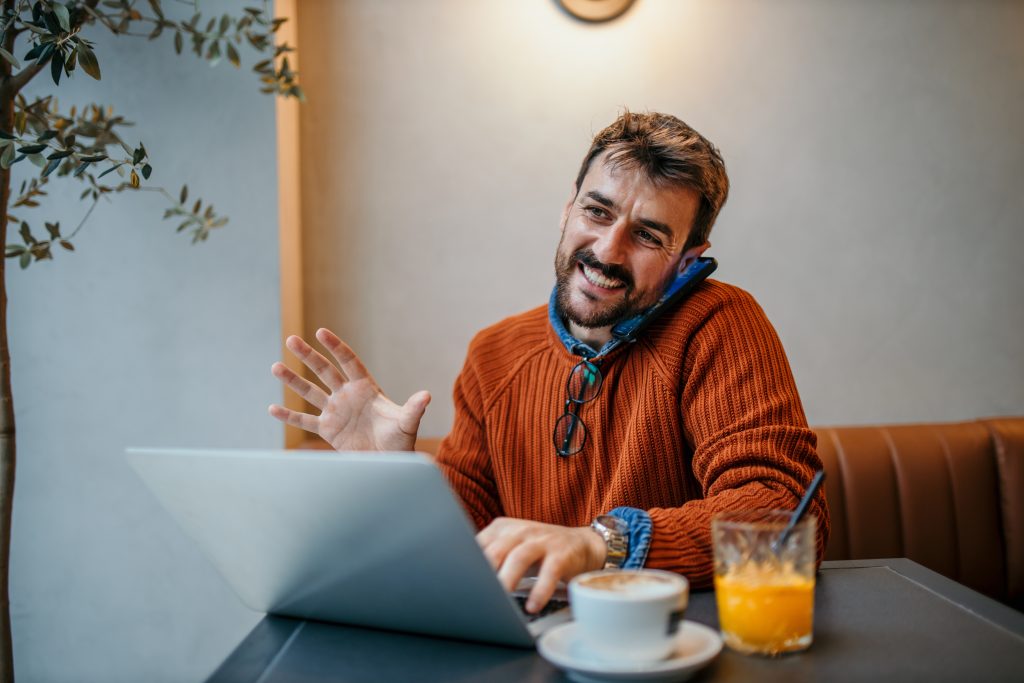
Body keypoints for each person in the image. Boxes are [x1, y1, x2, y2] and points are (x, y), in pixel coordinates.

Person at [269, 110, 830, 614]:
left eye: (647, 235)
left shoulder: (720, 322)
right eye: (597, 211)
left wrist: (599, 544)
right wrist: (392, 480)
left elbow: (784, 512)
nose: (608, 250)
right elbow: (462, 556)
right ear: (568, 209)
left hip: (675, 649)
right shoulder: (493, 355)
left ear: (687, 262)